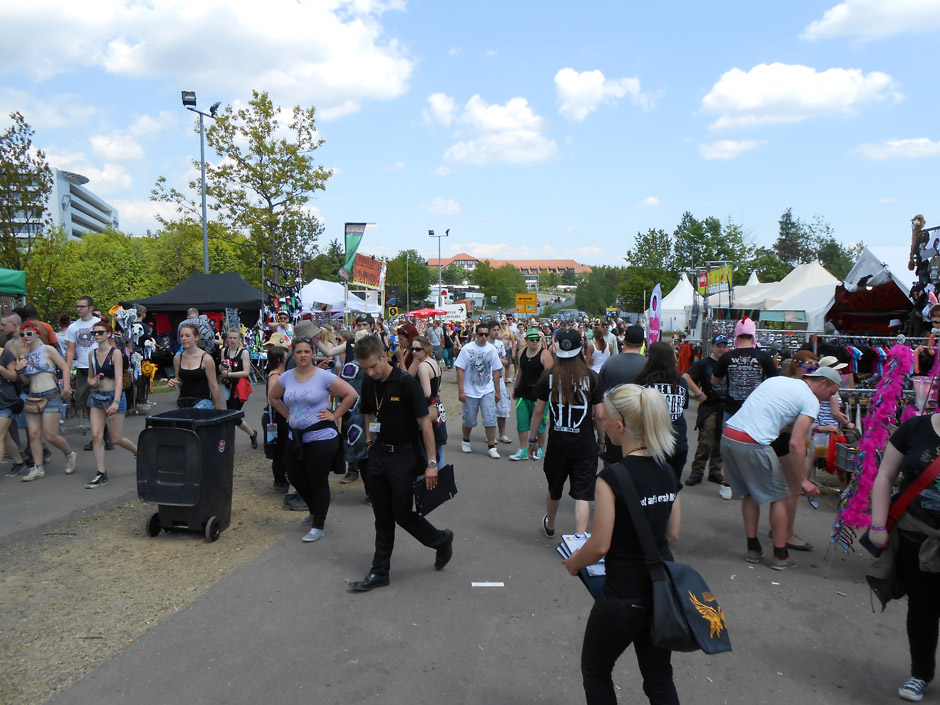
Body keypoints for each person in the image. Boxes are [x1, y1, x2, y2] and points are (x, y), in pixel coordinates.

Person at [562, 383, 681, 705]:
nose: (601, 422)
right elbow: (672, 533)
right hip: (660, 592)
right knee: (659, 678)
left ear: (621, 425)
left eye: (605, 418)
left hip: (622, 595)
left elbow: (600, 545)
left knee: (596, 671)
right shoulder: (667, 470)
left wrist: (574, 563)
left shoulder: (612, 478)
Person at [349, 334, 453, 591]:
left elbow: (424, 422)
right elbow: (369, 413)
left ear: (384, 356)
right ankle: (379, 571)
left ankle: (441, 540)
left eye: (374, 366)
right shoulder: (367, 382)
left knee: (403, 514)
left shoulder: (406, 383)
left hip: (405, 457)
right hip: (379, 455)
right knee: (382, 516)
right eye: (365, 368)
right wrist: (371, 443)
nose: (371, 372)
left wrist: (431, 463)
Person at [719, 368, 838, 570]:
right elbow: (796, 443)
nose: (830, 398)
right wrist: (803, 480)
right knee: (779, 497)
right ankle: (780, 555)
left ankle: (753, 549)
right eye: (832, 392)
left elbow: (774, 418)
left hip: (729, 436)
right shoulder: (810, 400)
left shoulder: (778, 381)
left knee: (750, 492)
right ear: (823, 383)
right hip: (753, 443)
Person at [868, 410, 940, 702]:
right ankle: (920, 673)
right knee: (923, 609)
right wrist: (877, 524)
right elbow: (885, 477)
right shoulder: (914, 428)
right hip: (915, 537)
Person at [268, 337, 357, 543]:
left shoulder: (323, 376)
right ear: (293, 354)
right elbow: (273, 397)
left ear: (313, 353)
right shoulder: (286, 377)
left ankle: (319, 523)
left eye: (307, 351)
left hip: (321, 436)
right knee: (296, 478)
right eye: (299, 352)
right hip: (295, 436)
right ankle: (315, 509)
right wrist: (286, 413)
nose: (303, 355)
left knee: (317, 479)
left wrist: (334, 415)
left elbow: (351, 394)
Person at [529, 328, 605, 536]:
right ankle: (579, 537)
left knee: (554, 488)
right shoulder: (592, 378)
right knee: (583, 493)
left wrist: (533, 439)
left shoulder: (549, 377)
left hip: (558, 443)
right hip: (584, 443)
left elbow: (538, 411)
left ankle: (551, 525)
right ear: (581, 348)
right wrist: (602, 441)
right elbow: (600, 415)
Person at [711, 316, 778, 499]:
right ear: (753, 334)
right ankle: (753, 485)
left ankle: (727, 485)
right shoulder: (764, 356)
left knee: (729, 449)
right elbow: (775, 381)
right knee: (757, 447)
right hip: (757, 411)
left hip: (731, 410)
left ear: (737, 335)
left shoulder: (726, 357)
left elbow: (714, 381)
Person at [19, 322, 78, 481]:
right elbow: (25, 380)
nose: (26, 337)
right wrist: (20, 369)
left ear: (38, 334)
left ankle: (70, 454)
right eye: (23, 334)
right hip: (33, 396)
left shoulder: (48, 349)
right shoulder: (26, 354)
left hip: (50, 395)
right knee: (33, 434)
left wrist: (66, 388)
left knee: (51, 435)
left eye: (29, 333)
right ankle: (38, 467)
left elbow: (65, 367)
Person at [85, 322, 138, 488]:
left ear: (108, 333)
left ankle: (138, 453)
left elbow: (120, 379)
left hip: (113, 396)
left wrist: (115, 401)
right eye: (94, 333)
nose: (97, 335)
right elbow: (89, 377)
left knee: (115, 438)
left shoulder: (115, 353)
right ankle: (101, 473)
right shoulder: (91, 354)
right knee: (96, 435)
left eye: (100, 332)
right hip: (97, 397)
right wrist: (92, 382)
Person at [633, 342, 690, 482]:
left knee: (648, 487)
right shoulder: (681, 382)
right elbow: (684, 405)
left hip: (649, 442)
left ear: (650, 359)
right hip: (677, 443)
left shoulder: (641, 383)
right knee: (673, 486)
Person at [65, 297, 113, 450]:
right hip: (82, 368)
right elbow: (71, 350)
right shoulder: (73, 327)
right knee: (84, 402)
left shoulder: (98, 324)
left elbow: (111, 345)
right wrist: (67, 367)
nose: (79, 309)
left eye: (82, 306)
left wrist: (111, 364)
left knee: (98, 402)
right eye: (77, 306)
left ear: (90, 308)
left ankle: (99, 436)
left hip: (99, 367)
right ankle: (102, 433)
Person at [682, 334, 729, 486]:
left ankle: (715, 471)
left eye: (724, 346)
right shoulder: (704, 363)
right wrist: (699, 393)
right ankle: (697, 472)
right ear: (713, 347)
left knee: (721, 442)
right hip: (709, 408)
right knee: (706, 441)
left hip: (726, 407)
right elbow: (686, 377)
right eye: (719, 346)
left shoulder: (729, 362)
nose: (721, 349)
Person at [598, 325, 648, 464]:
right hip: (640, 428)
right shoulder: (649, 365)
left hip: (613, 426)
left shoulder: (610, 363)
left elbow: (599, 398)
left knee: (611, 469)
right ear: (643, 343)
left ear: (624, 341)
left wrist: (598, 423)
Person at [454, 321, 503, 459]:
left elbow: (496, 371)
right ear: (476, 334)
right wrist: (461, 390)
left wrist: (497, 391)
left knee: (490, 418)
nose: (483, 337)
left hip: (487, 389)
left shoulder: (492, 350)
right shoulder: (467, 349)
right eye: (481, 334)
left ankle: (492, 446)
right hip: (470, 391)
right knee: (469, 419)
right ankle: (466, 440)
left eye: (486, 334)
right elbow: (460, 370)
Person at [508, 327, 553, 461]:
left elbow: (550, 376)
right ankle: (522, 449)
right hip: (523, 392)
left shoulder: (545, 354)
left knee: (539, 423)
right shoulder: (522, 352)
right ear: (526, 340)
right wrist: (515, 389)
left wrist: (549, 394)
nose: (534, 342)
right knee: (522, 422)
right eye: (531, 340)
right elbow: (520, 372)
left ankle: (540, 447)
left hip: (539, 395)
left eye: (537, 339)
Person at [219, 328, 259, 448]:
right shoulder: (224, 351)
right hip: (228, 386)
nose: (232, 340)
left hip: (240, 387)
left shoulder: (244, 352)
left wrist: (229, 374)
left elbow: (246, 372)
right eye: (230, 338)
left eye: (235, 338)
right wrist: (221, 368)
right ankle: (252, 433)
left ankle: (228, 443)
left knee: (232, 415)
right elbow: (222, 368)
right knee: (233, 416)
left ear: (239, 339)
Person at [167, 324, 222, 410]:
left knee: (195, 419)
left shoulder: (206, 359)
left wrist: (218, 408)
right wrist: (174, 381)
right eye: (181, 336)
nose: (184, 339)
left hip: (202, 401)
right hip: (183, 400)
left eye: (187, 336)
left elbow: (213, 385)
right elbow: (179, 379)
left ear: (196, 337)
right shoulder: (178, 358)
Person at [412, 335, 447, 465]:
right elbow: (439, 387)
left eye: (417, 349)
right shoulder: (434, 363)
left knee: (429, 445)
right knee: (437, 445)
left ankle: (436, 476)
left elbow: (426, 393)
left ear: (425, 350)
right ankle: (441, 475)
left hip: (428, 407)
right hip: (437, 404)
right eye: (412, 349)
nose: (414, 352)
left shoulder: (422, 367)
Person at [264, 345, 290, 492]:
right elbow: (271, 399)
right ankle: (280, 481)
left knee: (281, 451)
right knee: (280, 452)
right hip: (276, 419)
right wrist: (287, 413)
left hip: (278, 418)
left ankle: (281, 479)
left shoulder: (280, 375)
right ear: (280, 360)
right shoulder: (275, 377)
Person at [490, 324, 513, 444]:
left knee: (503, 406)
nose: (496, 332)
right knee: (490, 408)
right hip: (488, 380)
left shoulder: (499, 344)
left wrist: (502, 361)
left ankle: (502, 434)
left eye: (497, 330)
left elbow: (505, 360)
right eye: (494, 330)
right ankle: (491, 435)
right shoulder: (485, 345)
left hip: (499, 378)